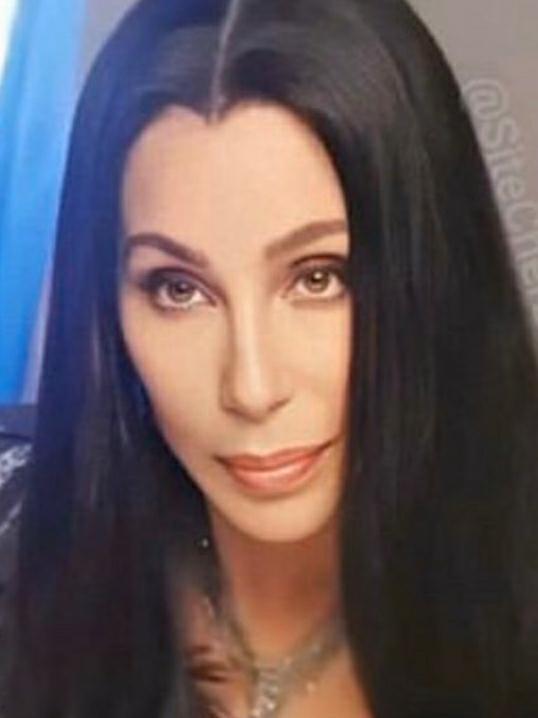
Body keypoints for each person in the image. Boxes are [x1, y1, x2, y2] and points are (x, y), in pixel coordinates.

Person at [1, 0, 537, 716]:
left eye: (319, 278)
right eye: (179, 289)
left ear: (435, 267)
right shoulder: (22, 555)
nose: (251, 389)